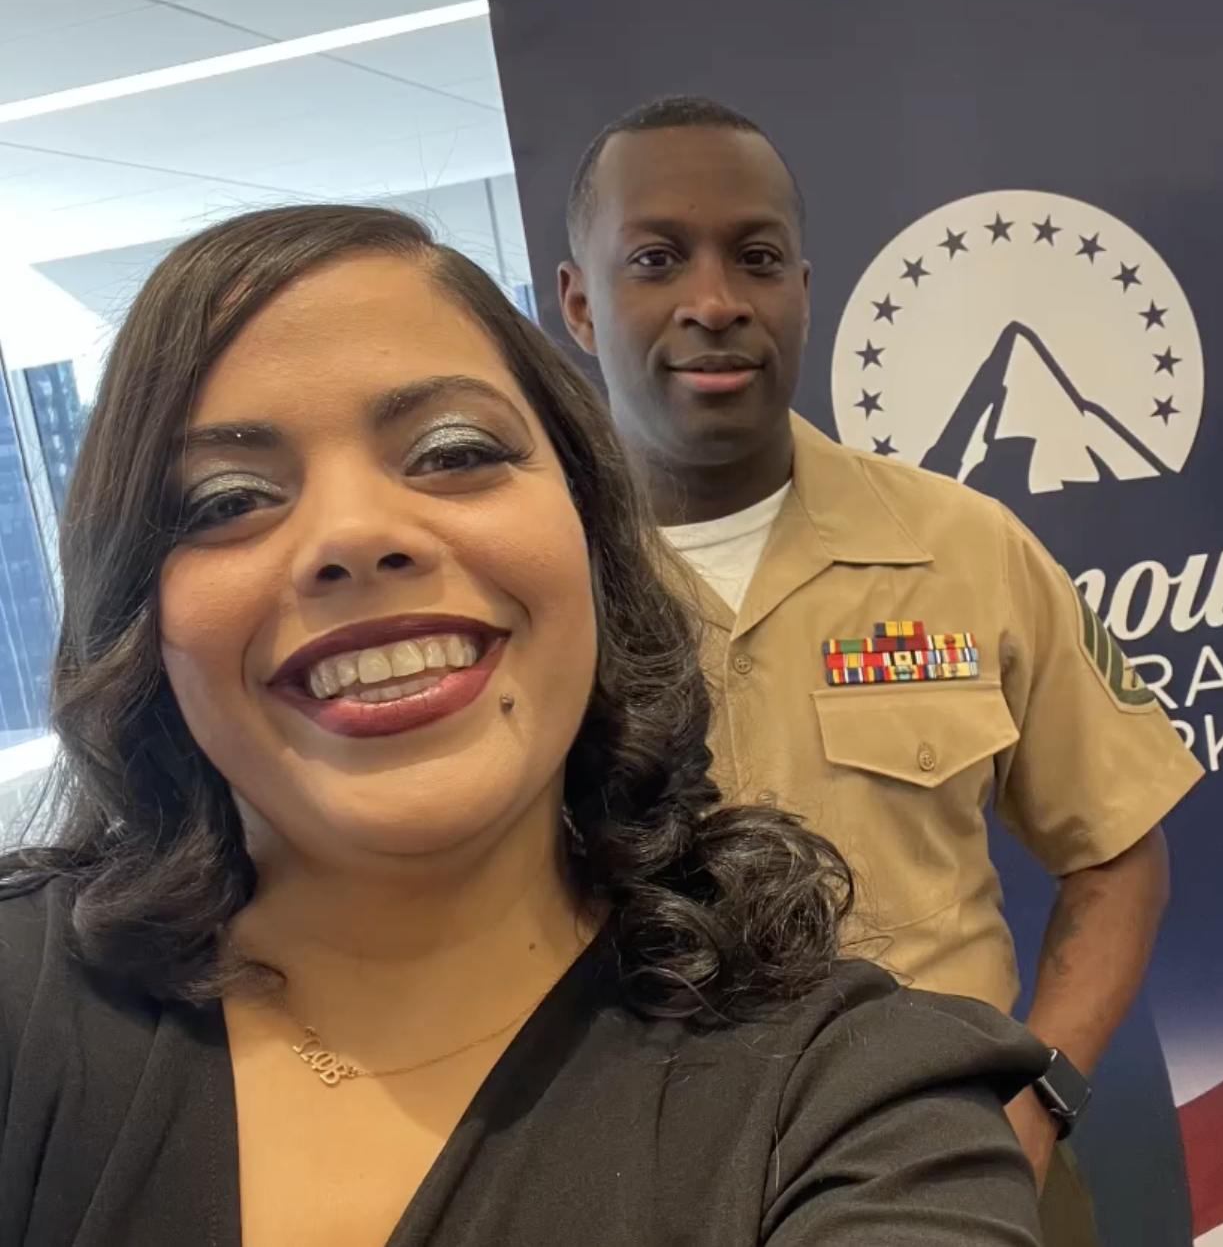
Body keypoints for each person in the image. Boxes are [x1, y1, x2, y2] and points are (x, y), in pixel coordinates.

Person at [0, 205, 1054, 1247]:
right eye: (227, 499)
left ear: (592, 535)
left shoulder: (863, 1110)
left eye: (453, 450)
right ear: (141, 612)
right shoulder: (26, 1005)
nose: (357, 535)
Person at [558, 96, 1204, 1247]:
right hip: (642, 1191)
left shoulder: (966, 548)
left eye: (755, 258)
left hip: (955, 1166)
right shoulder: (526, 589)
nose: (714, 301)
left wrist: (1039, 1098)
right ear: (577, 300)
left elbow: (1118, 855)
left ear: (802, 286)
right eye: (656, 259)